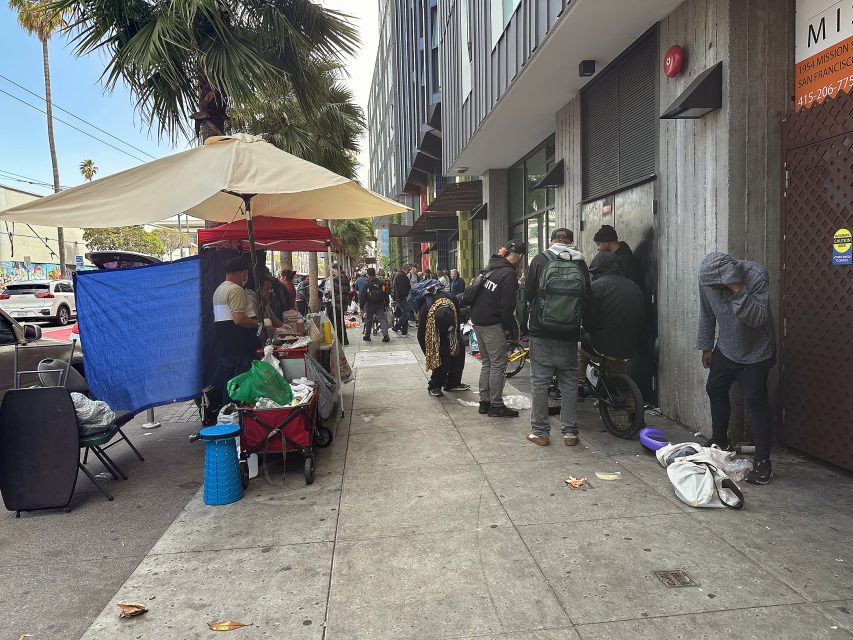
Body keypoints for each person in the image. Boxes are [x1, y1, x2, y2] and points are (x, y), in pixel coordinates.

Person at [697, 251, 776, 485]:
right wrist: (706, 346)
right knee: (715, 388)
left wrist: (737, 290)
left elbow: (758, 318)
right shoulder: (706, 281)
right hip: (726, 347)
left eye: (715, 284)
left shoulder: (756, 275)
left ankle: (763, 461)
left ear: (726, 277)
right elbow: (707, 314)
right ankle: (720, 441)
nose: (710, 288)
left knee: (755, 401)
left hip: (757, 351)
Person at [524, 228, 591, 446]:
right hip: (570, 332)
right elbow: (587, 297)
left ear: (552, 241)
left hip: (542, 331)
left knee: (540, 382)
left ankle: (541, 432)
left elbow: (528, 295)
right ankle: (570, 433)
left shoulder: (541, 259)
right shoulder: (580, 262)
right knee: (569, 383)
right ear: (571, 242)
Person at [470, 239, 525, 418]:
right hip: (493, 324)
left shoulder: (490, 269)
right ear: (520, 257)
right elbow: (507, 306)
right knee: (498, 364)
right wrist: (508, 328)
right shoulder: (508, 274)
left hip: (478, 321)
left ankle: (484, 403)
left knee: (487, 363)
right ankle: (496, 405)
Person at [578, 251, 644, 397]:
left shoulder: (596, 286)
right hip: (630, 345)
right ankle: (632, 408)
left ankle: (577, 386)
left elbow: (590, 322)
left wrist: (586, 330)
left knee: (579, 348)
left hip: (604, 345)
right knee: (616, 365)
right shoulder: (633, 286)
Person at [212, 256, 261, 404]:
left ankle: (227, 419)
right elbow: (239, 319)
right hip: (238, 348)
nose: (246, 277)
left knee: (230, 386)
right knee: (241, 386)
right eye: (246, 273)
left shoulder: (219, 289)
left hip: (224, 347)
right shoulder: (235, 290)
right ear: (242, 273)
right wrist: (260, 323)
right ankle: (237, 419)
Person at [416, 283, 468, 396]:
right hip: (432, 331)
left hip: (450, 326)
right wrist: (431, 356)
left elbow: (457, 324)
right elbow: (420, 336)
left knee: (460, 350)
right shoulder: (427, 309)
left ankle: (453, 383)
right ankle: (434, 385)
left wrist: (457, 342)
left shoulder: (453, 302)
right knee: (442, 356)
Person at [360, 268, 390, 343]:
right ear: (375, 273)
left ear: (367, 274)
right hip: (380, 304)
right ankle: (386, 335)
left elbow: (363, 295)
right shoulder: (382, 283)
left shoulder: (366, 283)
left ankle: (367, 335)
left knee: (369, 320)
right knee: (382, 319)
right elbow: (386, 293)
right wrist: (387, 303)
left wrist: (361, 306)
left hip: (370, 304)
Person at [324, 263, 349, 345]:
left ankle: (338, 340)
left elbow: (334, 293)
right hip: (343, 304)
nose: (332, 272)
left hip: (336, 304)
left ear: (336, 269)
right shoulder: (346, 279)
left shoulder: (335, 279)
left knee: (335, 322)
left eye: (333, 270)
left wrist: (327, 294)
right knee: (341, 322)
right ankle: (344, 339)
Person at [391, 263, 412, 336]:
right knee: (406, 314)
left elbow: (395, 288)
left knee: (404, 313)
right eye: (409, 270)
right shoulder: (401, 276)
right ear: (406, 269)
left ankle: (404, 331)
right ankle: (396, 327)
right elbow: (402, 289)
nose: (409, 272)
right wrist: (406, 295)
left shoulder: (398, 274)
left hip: (399, 297)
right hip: (402, 298)